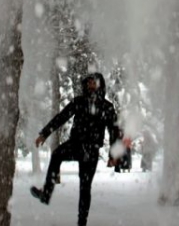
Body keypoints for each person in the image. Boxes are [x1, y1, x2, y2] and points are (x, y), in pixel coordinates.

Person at [30, 72, 120, 226]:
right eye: (88, 83)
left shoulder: (107, 107)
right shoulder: (79, 102)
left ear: (100, 85)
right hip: (75, 144)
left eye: (94, 83)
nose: (90, 85)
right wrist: (44, 134)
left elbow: (114, 132)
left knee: (85, 187)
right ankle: (46, 194)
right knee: (57, 154)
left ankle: (82, 222)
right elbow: (61, 117)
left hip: (91, 151)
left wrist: (114, 155)